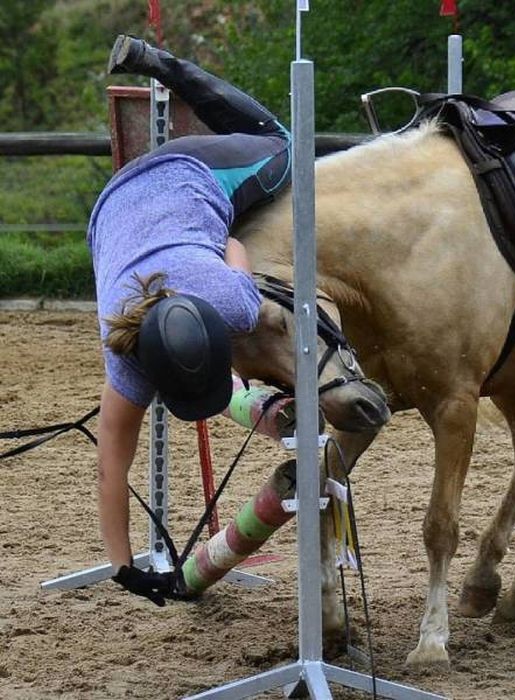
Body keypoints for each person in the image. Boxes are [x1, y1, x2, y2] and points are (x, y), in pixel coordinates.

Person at [87, 36, 292, 605]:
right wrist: (127, 570)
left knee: (283, 144)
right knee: (284, 144)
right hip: (141, 193)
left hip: (150, 187)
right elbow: (231, 245)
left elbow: (111, 465)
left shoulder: (210, 310)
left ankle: (163, 64)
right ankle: (162, 64)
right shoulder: (221, 306)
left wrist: (122, 568)